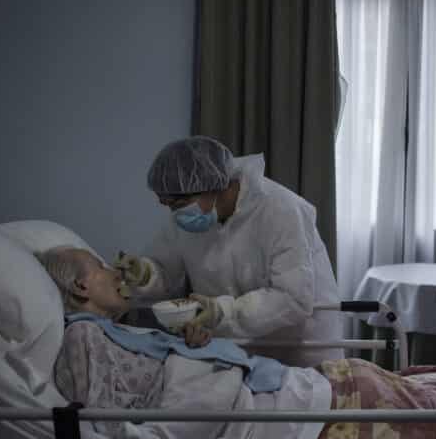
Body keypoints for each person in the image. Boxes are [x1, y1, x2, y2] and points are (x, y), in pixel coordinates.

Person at [115, 136, 343, 368]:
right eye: (168, 205)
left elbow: (293, 298)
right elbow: (166, 270)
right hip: (237, 353)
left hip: (300, 348)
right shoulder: (186, 218)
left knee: (305, 397)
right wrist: (145, 274)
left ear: (215, 185)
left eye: (178, 204)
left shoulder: (282, 210)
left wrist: (223, 312)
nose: (175, 214)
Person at [37, 245, 286, 436]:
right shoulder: (82, 333)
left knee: (311, 393)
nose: (116, 273)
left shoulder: (119, 331)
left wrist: (195, 347)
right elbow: (100, 414)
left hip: (244, 383)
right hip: (223, 404)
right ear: (81, 286)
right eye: (101, 267)